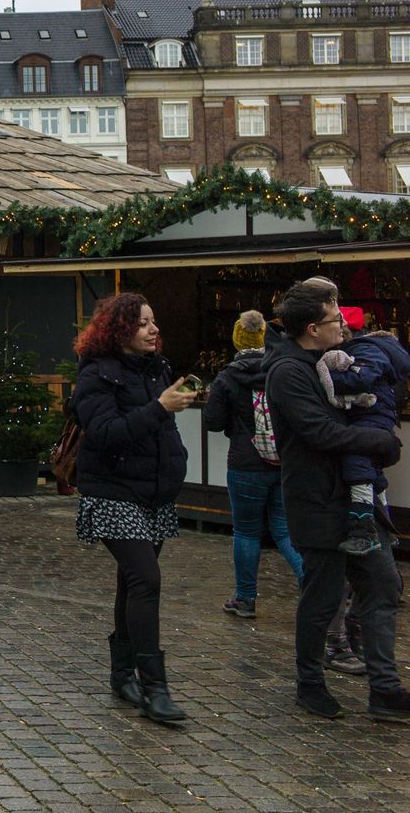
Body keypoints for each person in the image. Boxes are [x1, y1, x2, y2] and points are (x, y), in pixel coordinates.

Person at [265, 280, 410, 722]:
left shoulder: (325, 362)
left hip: (353, 500)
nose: (343, 326)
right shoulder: (288, 371)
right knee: (323, 597)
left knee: (383, 586)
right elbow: (320, 433)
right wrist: (379, 440)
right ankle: (309, 683)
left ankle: (385, 690)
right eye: (335, 320)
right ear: (313, 328)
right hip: (317, 502)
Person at [71, 292, 193, 725]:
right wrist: (159, 409)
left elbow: (159, 429)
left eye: (154, 321)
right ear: (119, 329)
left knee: (131, 581)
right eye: (143, 323)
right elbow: (105, 432)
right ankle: (154, 688)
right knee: (146, 578)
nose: (154, 329)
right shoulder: (96, 374)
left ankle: (122, 674)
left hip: (153, 492)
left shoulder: (157, 368)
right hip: (111, 490)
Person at [204, 310, 303, 620]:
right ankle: (311, 580)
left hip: (245, 464)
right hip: (283, 462)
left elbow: (213, 422)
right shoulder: (282, 368)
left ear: (237, 338)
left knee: (246, 533)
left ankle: (245, 598)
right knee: (285, 531)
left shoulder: (228, 376)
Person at [314, 305, 410, 556]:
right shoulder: (366, 349)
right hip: (374, 415)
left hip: (371, 415)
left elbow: (361, 378)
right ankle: (384, 527)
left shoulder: (366, 350)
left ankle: (363, 527)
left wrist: (324, 381)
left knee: (357, 463)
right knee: (372, 471)